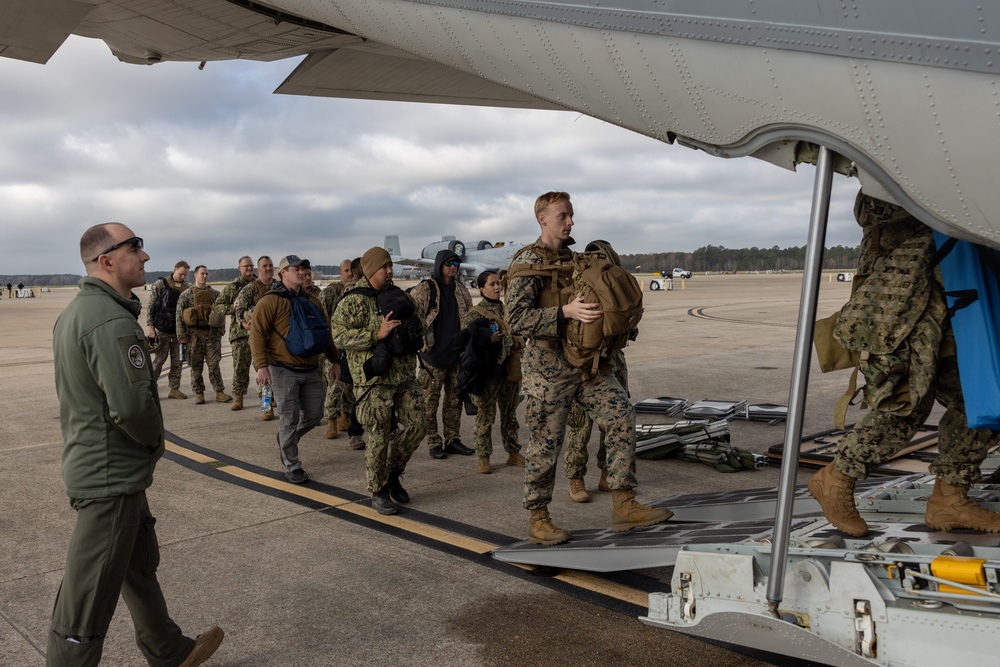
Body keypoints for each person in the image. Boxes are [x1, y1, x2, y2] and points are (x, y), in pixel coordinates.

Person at [48, 222, 223, 666]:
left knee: (136, 568)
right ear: (107, 260)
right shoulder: (109, 321)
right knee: (83, 606)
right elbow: (131, 408)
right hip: (110, 480)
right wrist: (153, 446)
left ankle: (168, 650)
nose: (145, 256)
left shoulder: (80, 312)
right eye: (135, 247)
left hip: (108, 469)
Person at [808, 191, 1000, 535]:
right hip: (905, 298)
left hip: (958, 290)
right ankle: (837, 478)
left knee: (979, 397)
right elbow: (873, 210)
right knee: (907, 400)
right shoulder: (894, 171)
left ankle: (949, 498)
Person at [506, 191, 671, 545]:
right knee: (546, 444)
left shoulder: (579, 261)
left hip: (586, 364)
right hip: (548, 369)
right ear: (542, 218)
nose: (570, 222)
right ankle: (539, 517)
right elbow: (516, 319)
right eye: (563, 215)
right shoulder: (527, 263)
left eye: (572, 215)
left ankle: (624, 503)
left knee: (621, 414)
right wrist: (565, 312)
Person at [331, 247, 425, 515]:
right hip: (374, 381)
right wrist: (376, 333)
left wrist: (417, 335)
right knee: (378, 435)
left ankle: (393, 473)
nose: (389, 271)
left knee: (418, 425)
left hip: (405, 376)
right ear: (372, 269)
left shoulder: (398, 295)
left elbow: (419, 323)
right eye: (384, 267)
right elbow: (339, 336)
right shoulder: (353, 300)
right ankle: (379, 489)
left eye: (390, 266)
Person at [251, 255, 340, 484]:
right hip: (282, 369)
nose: (302, 272)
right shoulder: (270, 301)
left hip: (310, 368)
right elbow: (257, 334)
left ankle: (285, 438)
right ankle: (292, 465)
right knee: (288, 418)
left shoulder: (313, 301)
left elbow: (324, 332)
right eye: (296, 269)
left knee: (315, 415)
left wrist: (335, 360)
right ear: (283, 273)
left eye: (304, 269)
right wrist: (261, 366)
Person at [564, 240, 634, 502]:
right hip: (586, 359)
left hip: (613, 358)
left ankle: (609, 474)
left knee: (615, 421)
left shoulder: (615, 282)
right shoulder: (580, 282)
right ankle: (575, 477)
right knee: (580, 424)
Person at [409, 250, 475, 459]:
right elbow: (412, 318)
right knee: (429, 403)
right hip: (432, 358)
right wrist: (420, 345)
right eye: (448, 263)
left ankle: (453, 440)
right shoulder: (425, 290)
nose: (453, 267)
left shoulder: (461, 291)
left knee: (454, 402)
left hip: (456, 357)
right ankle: (433, 441)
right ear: (439, 265)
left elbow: (469, 318)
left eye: (456, 263)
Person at [459, 270, 525, 474]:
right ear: (481, 288)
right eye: (492, 284)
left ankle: (513, 452)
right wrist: (487, 341)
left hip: (508, 371)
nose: (497, 287)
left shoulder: (509, 311)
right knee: (485, 417)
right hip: (487, 374)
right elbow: (466, 346)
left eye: (498, 284)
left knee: (510, 415)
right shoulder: (475, 314)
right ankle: (483, 456)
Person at [176, 265, 231, 405]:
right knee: (195, 365)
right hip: (194, 335)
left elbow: (221, 313)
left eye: (206, 274)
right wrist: (181, 336)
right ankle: (199, 393)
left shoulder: (215, 295)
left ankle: (219, 391)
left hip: (211, 334)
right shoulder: (186, 295)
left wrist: (220, 332)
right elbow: (179, 317)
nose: (205, 276)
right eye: (202, 273)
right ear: (195, 275)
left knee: (214, 364)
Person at [234, 256, 276, 419]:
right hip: (258, 339)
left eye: (271, 266)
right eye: (265, 266)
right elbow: (239, 309)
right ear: (259, 269)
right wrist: (244, 323)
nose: (268, 269)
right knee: (262, 373)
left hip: (277, 339)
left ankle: (278, 401)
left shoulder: (279, 287)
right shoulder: (251, 289)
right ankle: (266, 407)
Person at [212, 256, 256, 410]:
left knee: (265, 369)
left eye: (251, 266)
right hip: (240, 335)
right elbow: (217, 306)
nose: (249, 269)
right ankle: (238, 398)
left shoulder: (259, 286)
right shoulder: (233, 288)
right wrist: (233, 306)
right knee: (239, 368)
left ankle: (268, 400)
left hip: (259, 335)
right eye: (246, 266)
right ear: (239, 268)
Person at [319, 260, 354, 441]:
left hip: (350, 346)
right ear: (340, 272)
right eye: (346, 270)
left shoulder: (356, 290)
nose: (349, 274)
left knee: (348, 386)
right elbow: (321, 318)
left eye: (351, 270)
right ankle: (331, 419)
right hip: (333, 346)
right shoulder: (330, 293)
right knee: (334, 385)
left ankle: (345, 416)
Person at [147, 260, 190, 399]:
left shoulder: (186, 288)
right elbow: (151, 306)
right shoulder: (161, 284)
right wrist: (151, 327)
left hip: (178, 331)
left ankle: (174, 389)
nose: (183, 277)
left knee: (177, 361)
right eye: (181, 274)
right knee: (159, 360)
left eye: (185, 275)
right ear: (174, 269)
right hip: (162, 329)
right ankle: (150, 388)